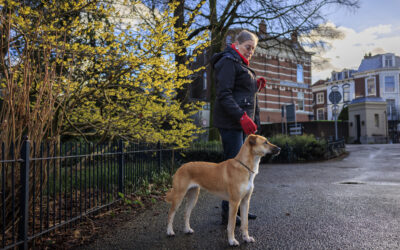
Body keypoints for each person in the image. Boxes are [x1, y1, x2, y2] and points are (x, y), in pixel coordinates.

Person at [211, 30, 266, 225]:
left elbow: (243, 95)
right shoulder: (228, 61)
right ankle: (229, 214)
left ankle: (239, 211)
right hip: (231, 124)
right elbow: (224, 95)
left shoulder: (241, 63)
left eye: (253, 49)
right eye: (248, 47)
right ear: (237, 44)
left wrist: (254, 86)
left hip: (241, 125)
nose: (251, 51)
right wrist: (241, 116)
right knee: (235, 170)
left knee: (243, 170)